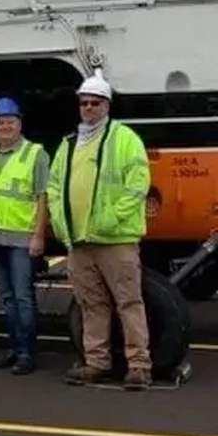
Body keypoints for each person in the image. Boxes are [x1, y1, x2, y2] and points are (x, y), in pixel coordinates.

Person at [46, 70, 153, 390]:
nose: (89, 108)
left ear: (107, 106)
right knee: (92, 305)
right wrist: (61, 223)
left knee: (129, 303)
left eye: (95, 102)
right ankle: (97, 362)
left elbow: (138, 186)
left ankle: (138, 365)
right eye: (84, 103)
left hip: (115, 239)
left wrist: (109, 219)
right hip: (79, 241)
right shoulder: (67, 144)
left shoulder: (125, 140)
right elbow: (54, 186)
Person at [0, 97, 49, 375]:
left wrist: (39, 235)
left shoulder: (35, 154)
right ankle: (14, 348)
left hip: (22, 238)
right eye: (0, 122)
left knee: (22, 297)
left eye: (10, 121)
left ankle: (27, 353)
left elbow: (43, 197)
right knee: (7, 297)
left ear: (19, 124)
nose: (5, 126)